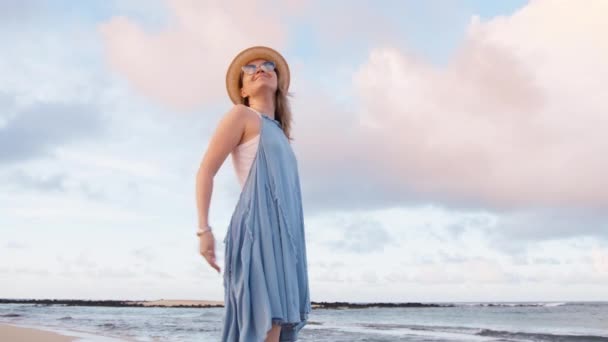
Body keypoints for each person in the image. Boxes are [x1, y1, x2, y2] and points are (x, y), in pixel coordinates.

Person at [195, 46, 312, 342]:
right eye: (249, 69)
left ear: (278, 81)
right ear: (243, 90)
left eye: (267, 65)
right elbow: (205, 171)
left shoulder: (282, 136)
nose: (259, 68)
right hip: (255, 233)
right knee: (263, 324)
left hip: (283, 243)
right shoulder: (242, 116)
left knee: (277, 328)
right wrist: (203, 230)